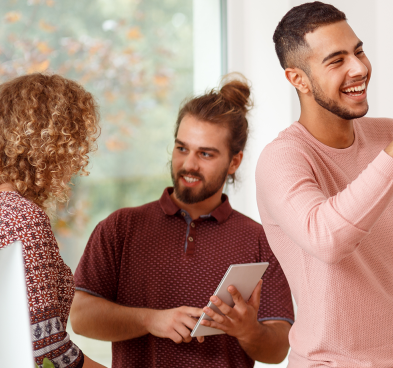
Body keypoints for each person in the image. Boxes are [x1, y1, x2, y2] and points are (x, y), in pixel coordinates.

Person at [255, 2, 393, 368]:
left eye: (358, 51)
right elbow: (327, 239)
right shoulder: (283, 159)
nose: (359, 68)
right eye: (336, 60)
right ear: (298, 79)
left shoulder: (386, 138)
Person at [70, 75, 294, 368]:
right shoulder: (120, 228)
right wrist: (150, 320)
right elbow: (81, 317)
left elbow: (277, 350)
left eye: (205, 154)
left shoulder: (261, 240)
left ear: (234, 162)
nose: (189, 164)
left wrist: (248, 330)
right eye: (182, 148)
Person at [0, 73, 105, 368]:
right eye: (76, 145)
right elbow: (47, 352)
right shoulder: (21, 219)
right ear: (51, 145)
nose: (76, 162)